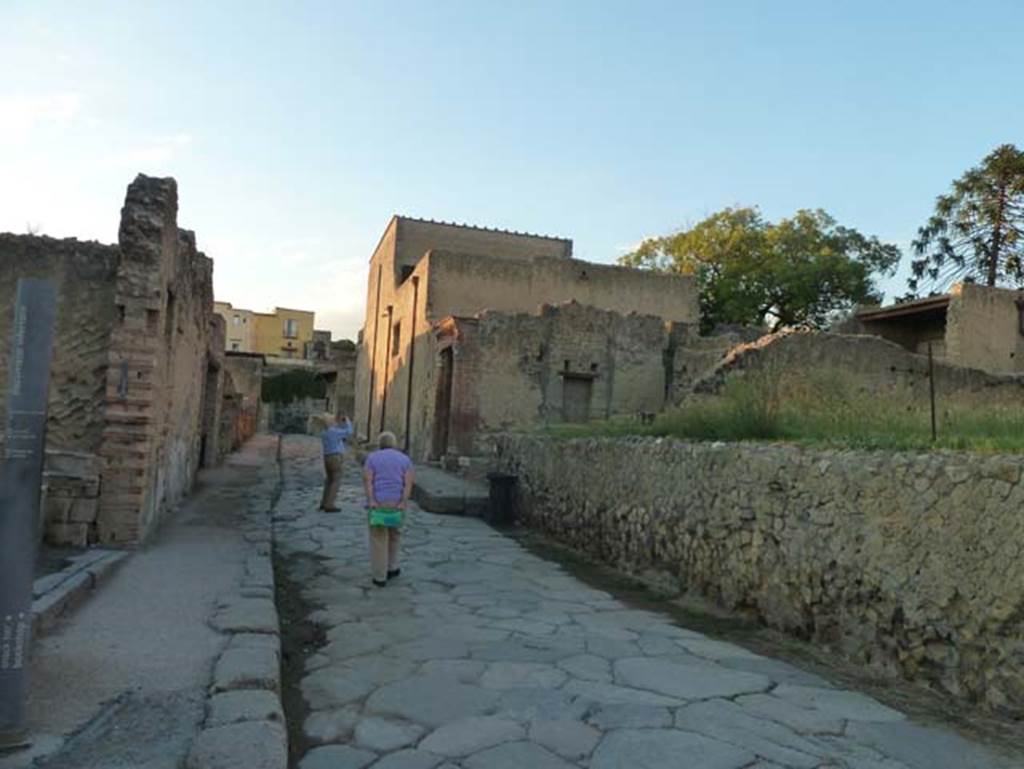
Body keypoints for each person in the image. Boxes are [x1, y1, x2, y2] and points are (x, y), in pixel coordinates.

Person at [363, 431, 414, 587]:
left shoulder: (372, 458)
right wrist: (403, 502)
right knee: (394, 535)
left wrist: (371, 500)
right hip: (396, 502)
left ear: (380, 444)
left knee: (378, 538)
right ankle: (392, 567)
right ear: (394, 444)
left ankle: (380, 576)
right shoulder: (405, 460)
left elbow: (368, 481)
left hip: (379, 502)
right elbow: (408, 483)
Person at [319, 414, 353, 512]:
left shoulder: (324, 432)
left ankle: (324, 502)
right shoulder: (333, 432)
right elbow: (349, 432)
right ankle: (330, 504)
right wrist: (347, 420)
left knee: (329, 480)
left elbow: (339, 430)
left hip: (327, 457)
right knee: (336, 480)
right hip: (335, 457)